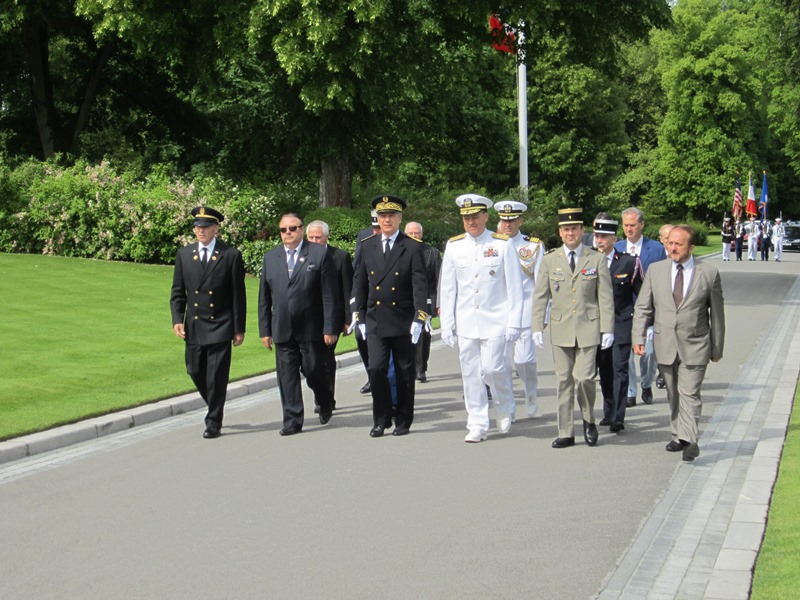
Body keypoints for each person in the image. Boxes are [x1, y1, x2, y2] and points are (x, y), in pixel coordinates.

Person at [632, 224, 725, 462]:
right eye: (670, 243)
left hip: (696, 344)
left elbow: (717, 314)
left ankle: (690, 440)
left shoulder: (709, 273)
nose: (672, 248)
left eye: (678, 244)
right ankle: (678, 435)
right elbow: (643, 307)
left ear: (691, 247)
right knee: (673, 393)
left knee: (690, 393)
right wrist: (638, 337)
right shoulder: (655, 270)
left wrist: (717, 347)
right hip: (665, 343)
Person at [439, 194, 524, 442]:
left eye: (475, 217)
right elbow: (448, 289)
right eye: (466, 218)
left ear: (486, 217)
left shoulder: (502, 244)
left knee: (493, 369)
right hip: (467, 322)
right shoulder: (454, 246)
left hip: (496, 320)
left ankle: (504, 403)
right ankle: (477, 423)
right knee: (471, 374)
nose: (471, 222)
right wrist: (447, 325)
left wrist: (514, 322)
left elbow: (514, 287)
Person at [531, 207, 614, 448]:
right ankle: (566, 431)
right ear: (560, 232)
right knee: (564, 381)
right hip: (561, 329)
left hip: (589, 327)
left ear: (582, 230)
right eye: (566, 229)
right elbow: (540, 296)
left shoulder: (596, 258)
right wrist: (537, 326)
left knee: (585, 378)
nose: (570, 233)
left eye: (574, 229)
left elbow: (605, 297)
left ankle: (589, 420)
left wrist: (608, 329)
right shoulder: (550, 260)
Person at [353, 195, 429, 437]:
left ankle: (403, 420)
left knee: (405, 371)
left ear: (399, 218)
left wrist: (420, 317)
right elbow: (360, 283)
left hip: (402, 319)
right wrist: (358, 315)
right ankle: (381, 419)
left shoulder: (412, 247)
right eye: (382, 216)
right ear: (378, 218)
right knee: (376, 369)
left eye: (391, 216)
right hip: (375, 318)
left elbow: (419, 285)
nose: (387, 220)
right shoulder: (368, 245)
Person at [258, 213, 339, 436]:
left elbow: (330, 294)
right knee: (287, 376)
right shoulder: (271, 258)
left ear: (301, 229)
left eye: (292, 228)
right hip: (283, 327)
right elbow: (264, 297)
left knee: (314, 370)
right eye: (283, 230)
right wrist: (265, 330)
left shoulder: (319, 254)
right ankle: (292, 420)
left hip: (312, 328)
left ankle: (325, 400)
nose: (288, 233)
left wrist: (330, 327)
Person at [170, 206, 246, 439]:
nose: (200, 231)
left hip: (220, 324)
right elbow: (178, 291)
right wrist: (177, 319)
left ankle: (213, 421)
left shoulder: (230, 255)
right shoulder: (185, 254)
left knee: (216, 376)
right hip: (194, 324)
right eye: (197, 227)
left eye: (205, 227)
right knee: (194, 369)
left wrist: (239, 329)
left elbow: (238, 295)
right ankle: (215, 403)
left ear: (216, 229)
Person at [494, 200, 545, 419]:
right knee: (502, 364)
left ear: (521, 221)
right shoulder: (493, 245)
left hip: (525, 311)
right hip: (499, 312)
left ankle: (531, 392)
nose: (508, 224)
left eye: (512, 220)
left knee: (524, 361)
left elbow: (542, 283)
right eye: (504, 220)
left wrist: (543, 314)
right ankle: (509, 405)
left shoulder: (533, 246)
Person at [592, 214, 643, 433]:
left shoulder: (629, 262)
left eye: (604, 236)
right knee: (604, 371)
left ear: (614, 239)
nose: (599, 240)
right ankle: (608, 410)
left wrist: (644, 325)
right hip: (596, 326)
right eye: (596, 236)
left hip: (621, 323)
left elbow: (641, 296)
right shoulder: (588, 260)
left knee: (620, 370)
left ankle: (618, 416)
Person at [614, 207, 666, 407]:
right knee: (625, 356)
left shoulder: (656, 249)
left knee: (649, 353)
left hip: (649, 311)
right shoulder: (617, 247)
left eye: (633, 225)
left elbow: (663, 278)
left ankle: (646, 383)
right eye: (626, 225)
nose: (629, 229)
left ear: (642, 225)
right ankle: (630, 391)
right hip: (624, 311)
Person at [306, 220, 354, 411]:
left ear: (326, 237)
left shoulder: (340, 257)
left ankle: (325, 400)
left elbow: (348, 291)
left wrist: (348, 320)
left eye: (318, 237)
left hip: (332, 318)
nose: (314, 241)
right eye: (311, 237)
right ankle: (322, 395)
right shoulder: (301, 257)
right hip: (308, 319)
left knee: (326, 358)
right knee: (311, 363)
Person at [404, 221, 442, 383]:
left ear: (421, 234)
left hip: (425, 301)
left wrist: (438, 303)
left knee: (422, 335)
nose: (414, 236)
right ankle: (408, 367)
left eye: (417, 233)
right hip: (404, 301)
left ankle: (420, 369)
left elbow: (439, 280)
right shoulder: (400, 252)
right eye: (410, 233)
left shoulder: (432, 253)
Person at [352, 210, 380, 394]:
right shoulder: (365, 237)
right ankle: (372, 375)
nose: (376, 231)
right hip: (367, 299)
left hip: (390, 302)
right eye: (374, 227)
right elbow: (357, 269)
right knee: (360, 336)